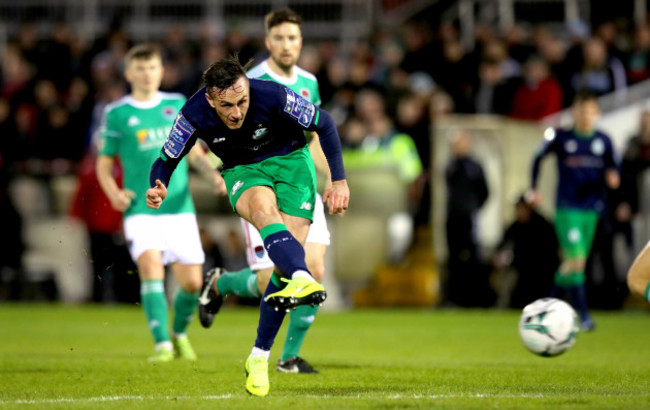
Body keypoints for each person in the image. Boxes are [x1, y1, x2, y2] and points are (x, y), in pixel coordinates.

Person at [145, 56, 349, 396]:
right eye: (227, 105)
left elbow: (324, 124)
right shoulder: (193, 113)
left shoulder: (273, 95)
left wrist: (338, 180)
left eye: (242, 101)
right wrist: (158, 184)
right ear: (210, 99)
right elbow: (167, 159)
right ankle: (301, 278)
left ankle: (259, 355)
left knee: (283, 268)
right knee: (263, 210)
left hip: (292, 164)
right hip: (243, 170)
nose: (237, 112)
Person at [196, 8, 331, 374]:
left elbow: (314, 135)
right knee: (274, 274)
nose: (287, 45)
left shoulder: (309, 81)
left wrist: (332, 177)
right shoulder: (247, 83)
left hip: (298, 181)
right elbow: (206, 133)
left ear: (300, 42)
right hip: (260, 186)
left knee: (312, 269)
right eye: (280, 38)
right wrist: (221, 173)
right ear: (268, 41)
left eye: (294, 38)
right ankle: (222, 282)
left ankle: (288, 358)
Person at [96, 44, 224, 362]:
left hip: (179, 208)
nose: (147, 74)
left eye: (152, 67)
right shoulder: (117, 113)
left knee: (193, 283)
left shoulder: (177, 104)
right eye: (139, 68)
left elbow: (194, 152)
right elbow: (103, 162)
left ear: (161, 71)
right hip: (141, 209)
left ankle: (179, 334)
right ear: (128, 73)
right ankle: (161, 344)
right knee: (151, 267)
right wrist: (114, 193)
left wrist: (212, 176)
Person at [529, 91, 620, 331]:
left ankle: (545, 308)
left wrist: (613, 177)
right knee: (577, 261)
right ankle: (584, 315)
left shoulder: (604, 140)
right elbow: (537, 157)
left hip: (592, 210)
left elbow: (614, 168)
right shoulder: (561, 137)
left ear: (597, 113)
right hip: (567, 209)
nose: (585, 115)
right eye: (581, 110)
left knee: (572, 264)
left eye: (590, 110)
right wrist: (533, 188)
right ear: (573, 113)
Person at [444, 129, 492, 307]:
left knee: (473, 258)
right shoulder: (451, 166)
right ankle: (454, 299)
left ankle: (475, 299)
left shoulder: (474, 167)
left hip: (469, 218)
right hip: (452, 218)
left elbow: (485, 192)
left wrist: (473, 208)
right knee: (454, 259)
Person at [493, 195, 559, 308]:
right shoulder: (515, 226)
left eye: (522, 208)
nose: (519, 211)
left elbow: (554, 249)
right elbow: (501, 245)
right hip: (522, 273)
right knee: (517, 301)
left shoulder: (543, 225)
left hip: (543, 273)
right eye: (517, 208)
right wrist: (499, 257)